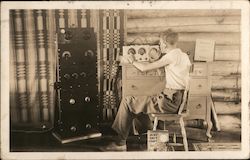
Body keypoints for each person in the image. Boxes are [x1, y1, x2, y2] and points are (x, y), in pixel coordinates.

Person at [101, 29, 191, 151]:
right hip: (178, 100)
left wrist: (132, 60)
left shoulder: (170, 56)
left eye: (160, 43)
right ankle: (146, 137)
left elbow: (144, 68)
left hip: (168, 101)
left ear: (164, 43)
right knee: (139, 103)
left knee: (128, 102)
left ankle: (120, 143)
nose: (159, 46)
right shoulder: (183, 55)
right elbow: (172, 69)